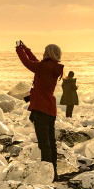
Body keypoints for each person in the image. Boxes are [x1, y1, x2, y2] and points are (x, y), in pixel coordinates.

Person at [16, 40, 64, 180]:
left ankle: (47, 173)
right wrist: (26, 49)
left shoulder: (43, 67)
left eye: (45, 51)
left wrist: (19, 49)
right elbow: (35, 61)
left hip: (41, 109)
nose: (42, 54)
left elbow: (27, 62)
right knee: (50, 142)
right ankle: (53, 171)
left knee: (44, 143)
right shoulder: (51, 67)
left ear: (48, 53)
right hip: (50, 109)